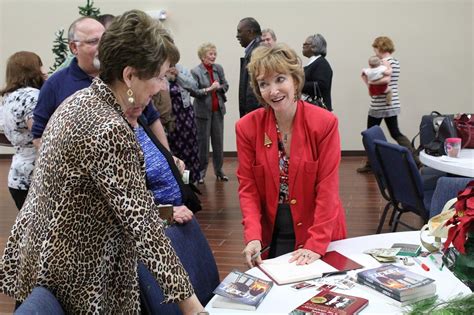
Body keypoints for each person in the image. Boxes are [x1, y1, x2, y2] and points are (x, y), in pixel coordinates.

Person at [0, 10, 204, 314]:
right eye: (159, 76)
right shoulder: (109, 128)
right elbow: (143, 226)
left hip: (47, 258)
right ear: (129, 75)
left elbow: (108, 197)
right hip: (79, 274)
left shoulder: (81, 101)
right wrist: (193, 307)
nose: (163, 86)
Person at [236, 43, 346, 269]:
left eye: (279, 79)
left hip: (319, 233)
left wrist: (316, 243)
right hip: (272, 233)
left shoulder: (324, 124)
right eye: (264, 84)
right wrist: (253, 236)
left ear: (295, 80)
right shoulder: (247, 128)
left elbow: (328, 188)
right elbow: (248, 188)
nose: (273, 91)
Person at [31, 16, 170, 152]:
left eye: (104, 39)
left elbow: (151, 118)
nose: (101, 47)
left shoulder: (120, 77)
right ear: (74, 47)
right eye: (93, 41)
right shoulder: (55, 85)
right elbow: (39, 135)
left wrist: (168, 158)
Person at [357, 36, 418, 173]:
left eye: (375, 48)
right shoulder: (395, 62)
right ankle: (415, 159)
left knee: (369, 134)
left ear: (381, 47)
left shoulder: (383, 62)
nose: (374, 51)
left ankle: (372, 164)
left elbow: (379, 79)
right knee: (396, 133)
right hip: (392, 102)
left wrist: (369, 82)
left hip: (379, 103)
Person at [0, 51, 46, 210]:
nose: (44, 70)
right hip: (35, 177)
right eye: (40, 66)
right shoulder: (32, 97)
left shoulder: (8, 97)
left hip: (17, 175)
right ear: (33, 69)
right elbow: (40, 135)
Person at [191, 43, 229, 183]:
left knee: (218, 143)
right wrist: (209, 89)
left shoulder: (218, 69)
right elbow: (194, 91)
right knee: (203, 144)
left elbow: (226, 85)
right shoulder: (195, 71)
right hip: (202, 113)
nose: (213, 56)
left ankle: (219, 171)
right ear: (202, 57)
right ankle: (201, 173)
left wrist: (219, 88)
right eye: (210, 54)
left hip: (217, 111)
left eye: (214, 53)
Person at [166, 64, 202, 184]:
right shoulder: (157, 69)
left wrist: (178, 75)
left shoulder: (182, 69)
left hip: (186, 115)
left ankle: (190, 180)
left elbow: (194, 87)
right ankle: (176, 181)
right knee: (173, 148)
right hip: (170, 116)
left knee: (190, 147)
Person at [236, 17, 263, 117]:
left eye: (239, 31)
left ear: (250, 32)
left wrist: (249, 115)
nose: (237, 36)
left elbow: (253, 90)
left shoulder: (258, 52)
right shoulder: (252, 51)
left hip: (254, 113)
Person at [301, 34, 333, 111]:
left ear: (313, 47)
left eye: (305, 44)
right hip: (313, 108)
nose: (303, 46)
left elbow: (322, 85)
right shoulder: (314, 63)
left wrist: (300, 85)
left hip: (319, 110)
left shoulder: (322, 64)